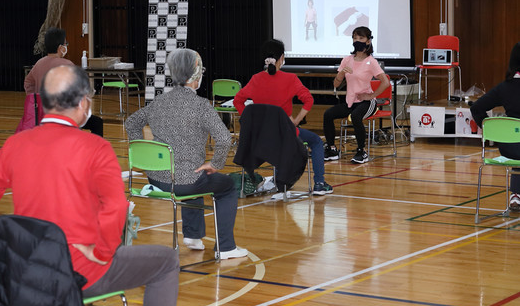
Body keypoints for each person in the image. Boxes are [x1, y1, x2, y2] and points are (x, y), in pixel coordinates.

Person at [0, 65, 179, 306]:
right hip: (81, 271)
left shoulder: (16, 144)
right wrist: (101, 252)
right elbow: (116, 208)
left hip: (28, 273)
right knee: (167, 262)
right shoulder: (96, 148)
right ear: (82, 101)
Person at [125, 48, 248, 260]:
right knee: (225, 185)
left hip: (157, 178)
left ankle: (193, 235)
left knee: (196, 173)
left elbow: (131, 123)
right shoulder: (201, 105)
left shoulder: (160, 101)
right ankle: (226, 247)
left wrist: (146, 155)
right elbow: (225, 138)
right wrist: (216, 164)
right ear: (196, 74)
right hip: (185, 181)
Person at [233, 39, 333, 195]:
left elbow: (237, 100)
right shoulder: (290, 79)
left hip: (261, 136)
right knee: (316, 141)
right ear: (282, 58)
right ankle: (319, 183)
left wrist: (251, 122)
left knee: (283, 141)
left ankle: (279, 179)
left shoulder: (255, 79)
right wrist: (296, 121)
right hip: (284, 133)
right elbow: (309, 100)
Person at [21, 27, 103, 136]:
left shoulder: (39, 63)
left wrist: (37, 99)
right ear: (60, 47)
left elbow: (28, 82)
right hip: (63, 116)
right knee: (97, 123)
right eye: (66, 44)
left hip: (41, 115)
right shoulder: (67, 64)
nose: (66, 46)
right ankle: (92, 151)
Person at [323, 26, 388, 164]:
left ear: (368, 41)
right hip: (350, 101)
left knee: (356, 116)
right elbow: (335, 84)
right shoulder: (347, 60)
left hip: (367, 102)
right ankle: (332, 149)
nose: (357, 40)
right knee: (328, 114)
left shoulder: (371, 61)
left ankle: (361, 151)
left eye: (361, 38)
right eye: (354, 38)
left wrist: (371, 96)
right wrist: (340, 74)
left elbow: (385, 82)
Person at [471, 42, 520, 210]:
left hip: (508, 148)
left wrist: (488, 130)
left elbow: (476, 108)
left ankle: (516, 196)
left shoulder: (504, 88)